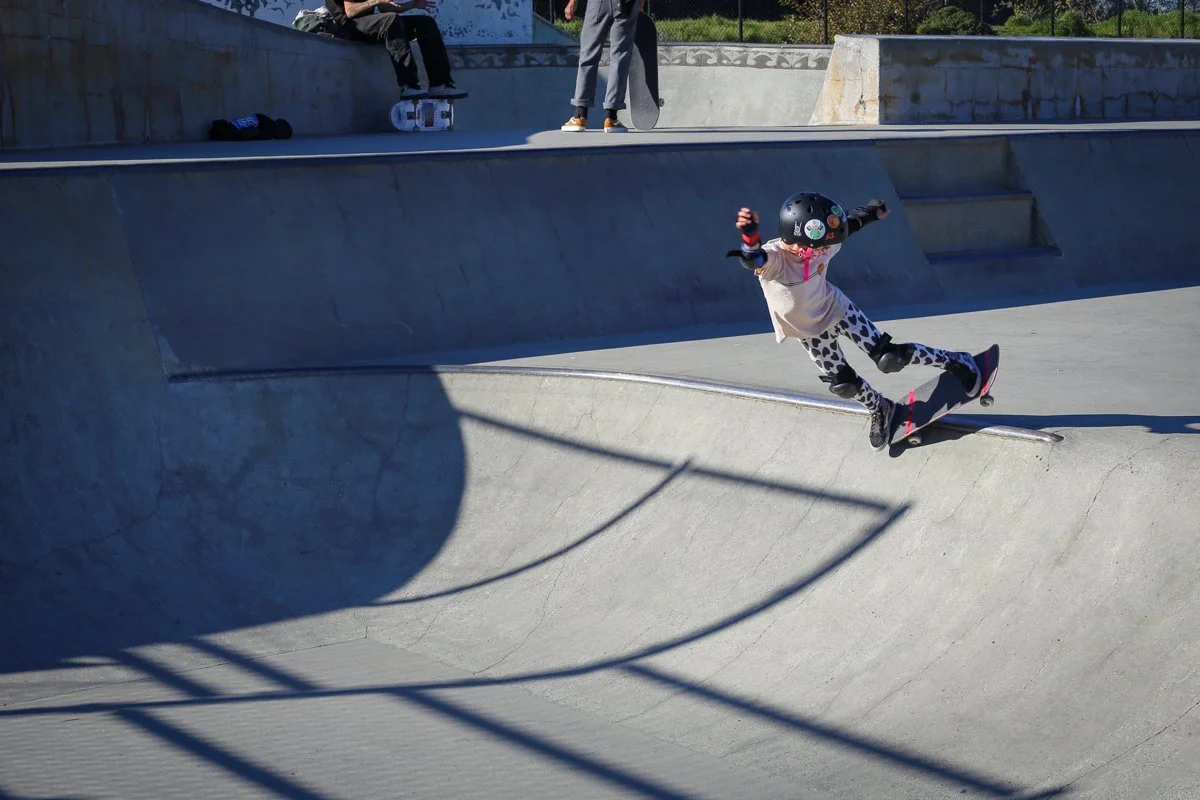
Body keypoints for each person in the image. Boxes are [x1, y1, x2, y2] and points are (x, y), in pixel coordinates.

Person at [731, 192, 982, 450]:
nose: (824, 251)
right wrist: (750, 237)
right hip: (808, 332)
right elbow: (753, 259)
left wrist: (872, 212)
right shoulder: (776, 259)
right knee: (844, 384)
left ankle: (955, 360)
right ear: (798, 241)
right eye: (819, 246)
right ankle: (880, 408)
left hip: (836, 309)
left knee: (888, 358)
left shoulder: (825, 244)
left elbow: (848, 225)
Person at [324, 0, 465, 99]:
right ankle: (408, 85)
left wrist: (413, 4)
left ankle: (439, 85)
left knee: (425, 24)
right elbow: (350, 11)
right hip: (348, 26)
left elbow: (387, 9)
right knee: (391, 20)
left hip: (373, 23)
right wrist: (375, 1)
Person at [560, 0, 644, 132]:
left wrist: (573, 2)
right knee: (620, 57)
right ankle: (611, 118)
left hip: (599, 4)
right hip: (627, 4)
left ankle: (579, 116)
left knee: (588, 54)